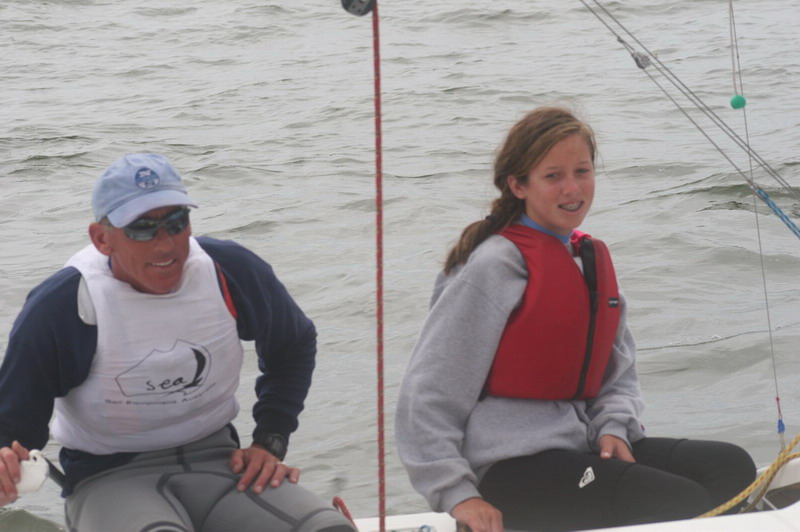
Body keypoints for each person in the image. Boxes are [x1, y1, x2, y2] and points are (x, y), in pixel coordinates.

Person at [394, 107, 757, 532]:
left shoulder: (587, 261)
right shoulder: (494, 265)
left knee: (729, 467)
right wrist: (459, 495)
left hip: (580, 446)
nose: (572, 188)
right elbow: (428, 391)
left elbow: (618, 376)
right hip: (509, 468)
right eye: (553, 176)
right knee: (677, 500)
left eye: (582, 171)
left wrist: (613, 428)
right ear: (518, 185)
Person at [0, 153, 356, 532]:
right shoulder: (63, 306)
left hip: (221, 462)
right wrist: (6, 463)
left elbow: (295, 344)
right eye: (142, 229)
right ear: (102, 239)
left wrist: (270, 441)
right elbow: (13, 425)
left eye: (176, 222)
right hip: (108, 477)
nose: (165, 245)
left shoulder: (231, 271)